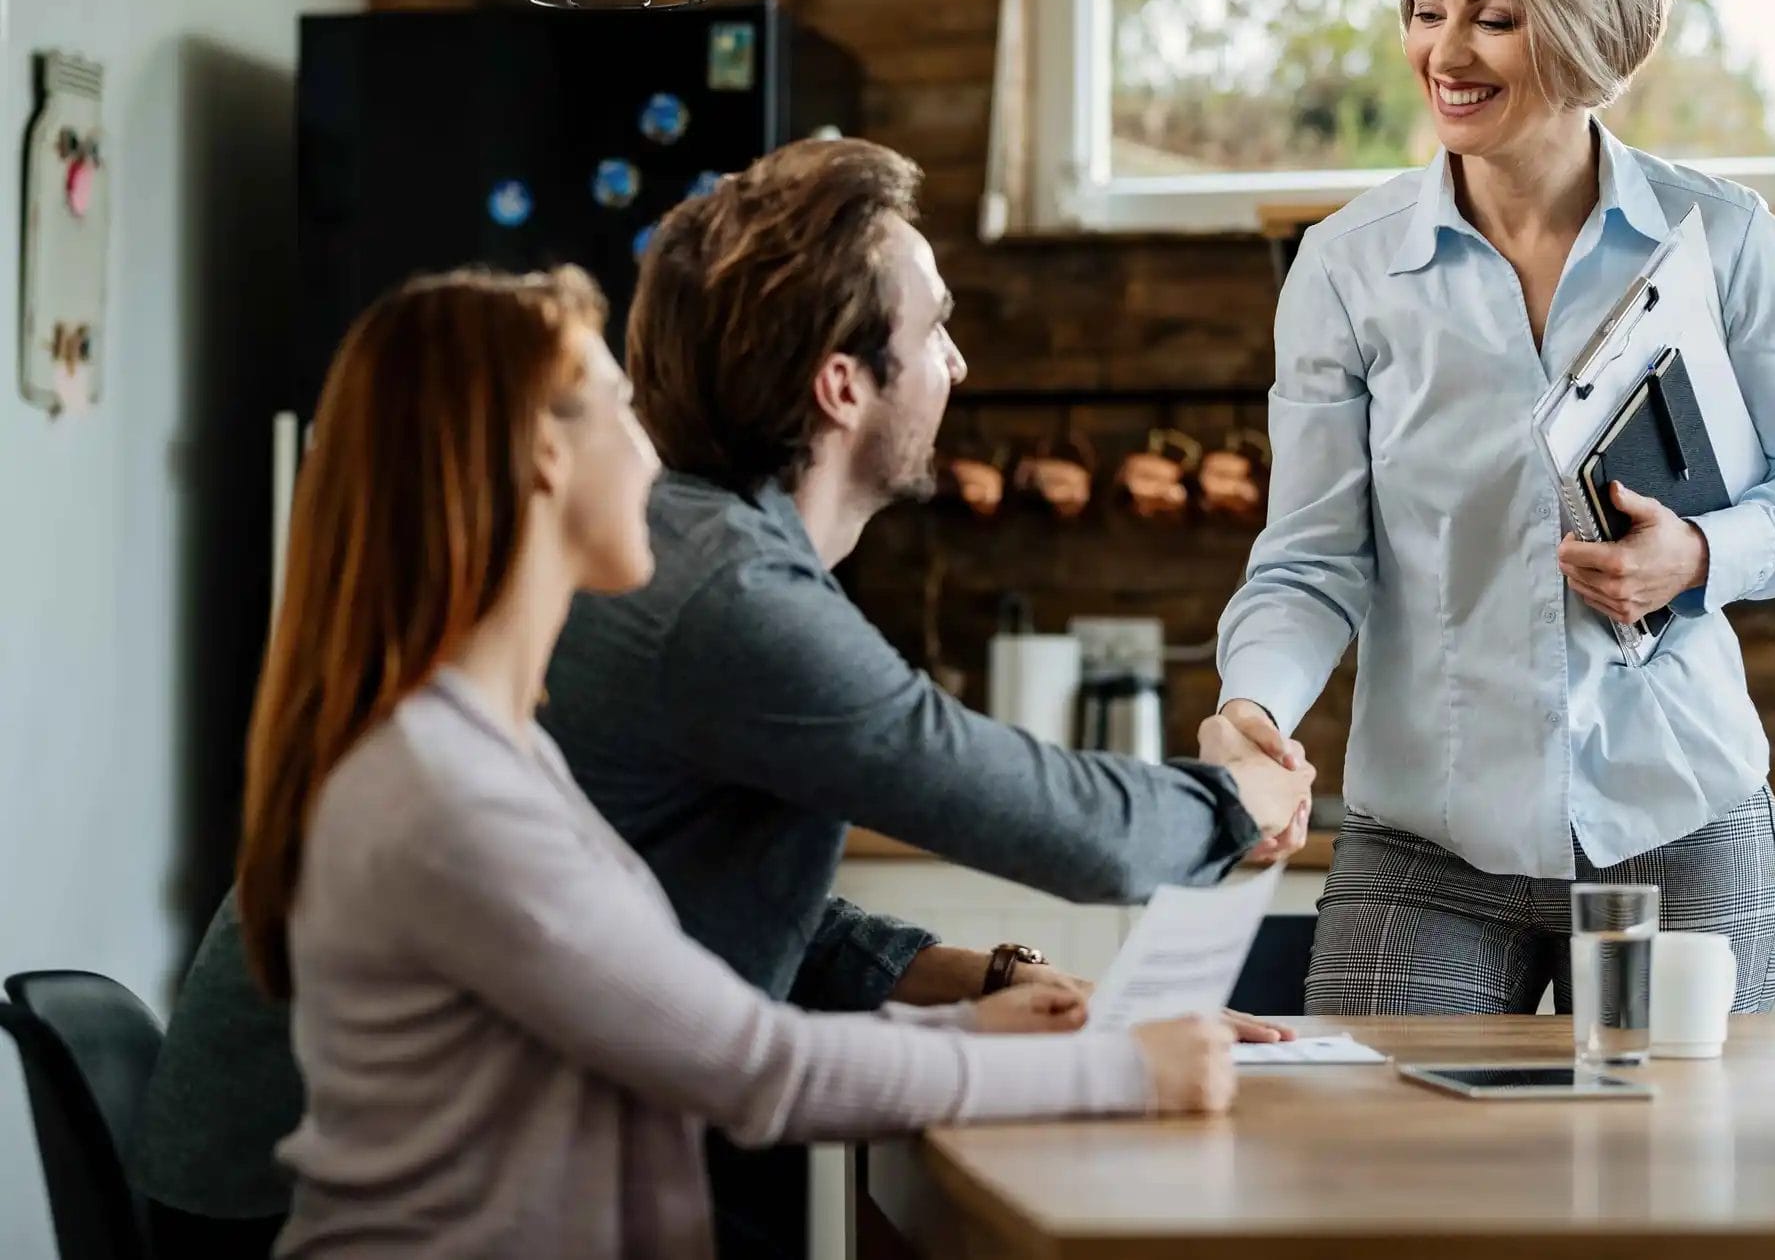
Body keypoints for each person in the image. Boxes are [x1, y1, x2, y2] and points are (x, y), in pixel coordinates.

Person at [133, 142, 1314, 1254]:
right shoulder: (713, 589)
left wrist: (981, 987)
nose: (960, 362)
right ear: (843, 384)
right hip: (296, 1195)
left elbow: (643, 923)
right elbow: (1038, 826)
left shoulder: (656, 604)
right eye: (938, 326)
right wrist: (1234, 798)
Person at [1214, 0, 1775, 1017]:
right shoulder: (1348, 269)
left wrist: (1700, 554)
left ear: (1587, 29)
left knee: (1677, 1190)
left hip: (1679, 815)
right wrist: (1256, 702)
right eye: (1427, 12)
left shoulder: (1721, 237)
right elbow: (1313, 557)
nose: (1446, 54)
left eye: (1495, 19)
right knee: (1384, 1179)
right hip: (1429, 837)